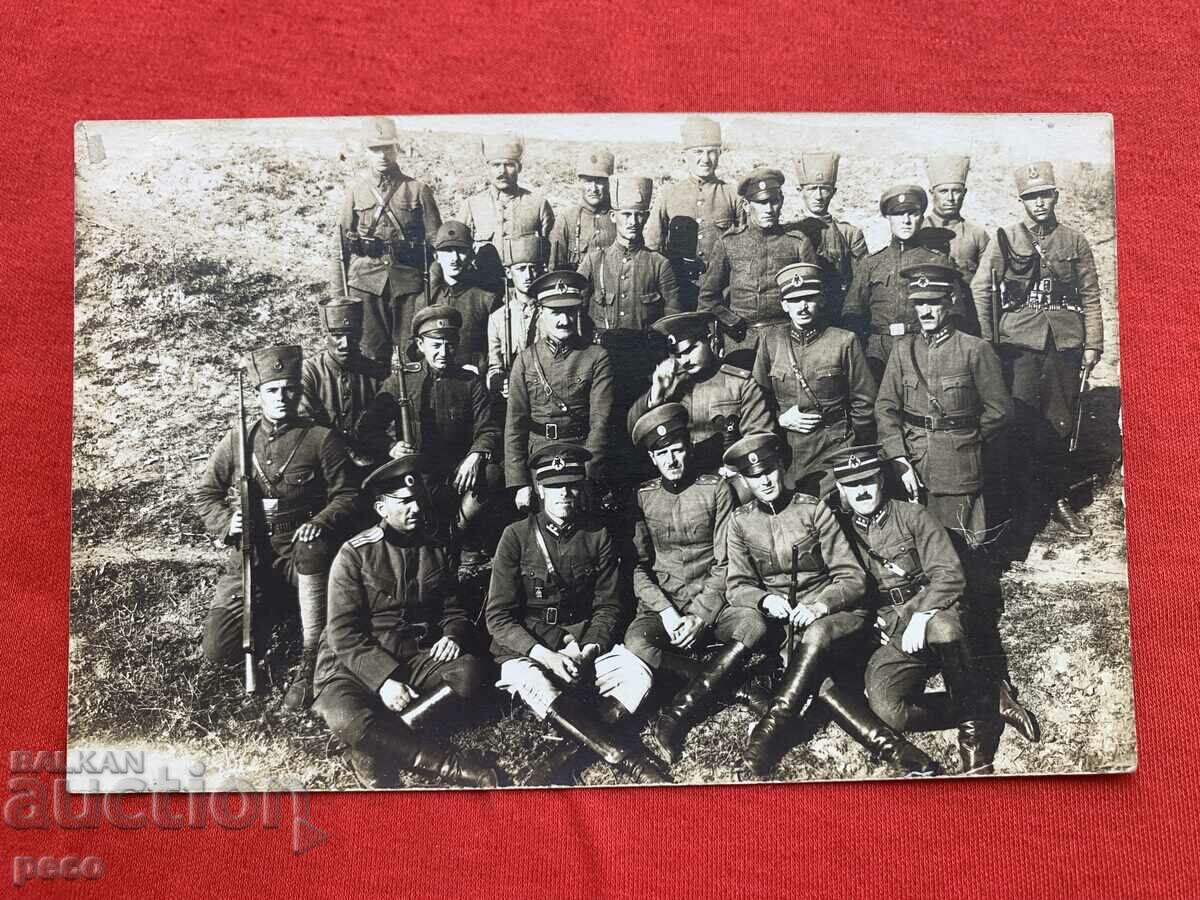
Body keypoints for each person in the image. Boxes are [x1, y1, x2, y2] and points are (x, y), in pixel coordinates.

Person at [723, 432, 941, 777]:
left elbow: (852, 578)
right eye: (754, 475)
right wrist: (764, 600)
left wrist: (820, 606)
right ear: (744, 480)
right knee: (817, 681)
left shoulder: (814, 510)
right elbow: (736, 586)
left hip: (838, 616)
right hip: (788, 627)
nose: (764, 480)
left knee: (816, 637)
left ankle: (766, 736)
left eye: (770, 470)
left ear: (782, 467)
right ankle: (897, 751)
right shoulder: (739, 522)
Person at [829, 444, 1036, 775]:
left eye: (868, 480)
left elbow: (949, 575)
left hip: (932, 611)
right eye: (852, 485)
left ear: (881, 480)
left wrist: (922, 615)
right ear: (840, 488)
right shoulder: (839, 531)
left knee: (943, 628)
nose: (862, 491)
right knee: (887, 710)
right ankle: (987, 700)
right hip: (890, 627)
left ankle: (975, 748)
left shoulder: (912, 516)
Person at [485, 443, 668, 785]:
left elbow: (608, 605)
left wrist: (590, 649)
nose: (564, 494)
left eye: (571, 485)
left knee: (638, 675)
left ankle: (560, 758)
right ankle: (626, 758)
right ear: (540, 489)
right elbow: (499, 617)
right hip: (532, 649)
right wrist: (549, 655)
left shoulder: (597, 534)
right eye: (554, 487)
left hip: (584, 646)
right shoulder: (515, 536)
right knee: (531, 679)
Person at [312, 455, 499, 788]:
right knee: (345, 716)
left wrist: (453, 635)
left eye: (419, 500)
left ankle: (375, 740)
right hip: (353, 666)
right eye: (405, 502)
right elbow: (342, 632)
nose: (416, 508)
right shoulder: (354, 554)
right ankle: (457, 768)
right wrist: (383, 681)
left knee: (471, 673)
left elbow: (452, 608)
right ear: (382, 508)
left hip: (413, 656)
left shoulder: (436, 548)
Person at [194, 345, 360, 710]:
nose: (281, 398)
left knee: (319, 570)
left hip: (301, 551)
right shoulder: (239, 440)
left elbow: (348, 494)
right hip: (252, 552)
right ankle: (279, 607)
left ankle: (310, 657)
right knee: (218, 648)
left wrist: (320, 522)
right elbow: (207, 493)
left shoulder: (320, 438)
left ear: (299, 392)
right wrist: (227, 522)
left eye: (289, 389)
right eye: (272, 390)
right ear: (258, 395)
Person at [623, 404, 770, 763]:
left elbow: (725, 561)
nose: (671, 460)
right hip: (667, 604)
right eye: (662, 454)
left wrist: (702, 616)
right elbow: (637, 568)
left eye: (677, 450)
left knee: (753, 624)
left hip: (712, 600)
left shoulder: (715, 489)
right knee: (636, 642)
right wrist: (668, 614)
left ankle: (679, 711)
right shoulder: (642, 497)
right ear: (652, 458)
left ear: (688, 448)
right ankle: (735, 687)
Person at [970, 161, 1104, 539]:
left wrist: (1093, 342)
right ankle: (1021, 501)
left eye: (1045, 194)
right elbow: (982, 288)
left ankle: (1058, 498)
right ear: (1021, 201)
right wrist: (988, 342)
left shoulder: (1073, 240)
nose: (1039, 203)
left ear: (1055, 196)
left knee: (1060, 425)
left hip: (1063, 345)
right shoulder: (1006, 239)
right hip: (1019, 346)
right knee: (1019, 422)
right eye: (1031, 197)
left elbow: (1091, 295)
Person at [875, 261, 1013, 550]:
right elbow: (886, 407)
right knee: (917, 545)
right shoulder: (903, 350)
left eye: (933, 303)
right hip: (913, 463)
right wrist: (899, 458)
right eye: (919, 304)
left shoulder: (975, 350)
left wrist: (967, 443)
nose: (925, 311)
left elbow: (999, 411)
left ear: (949, 302)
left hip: (959, 468)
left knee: (962, 548)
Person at [355, 305, 502, 563]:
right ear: (421, 345)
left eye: (449, 345)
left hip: (458, 474)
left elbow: (488, 427)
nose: (443, 353)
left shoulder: (470, 382)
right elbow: (367, 428)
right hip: (418, 475)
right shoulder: (403, 380)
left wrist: (476, 455)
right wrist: (391, 447)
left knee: (491, 475)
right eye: (435, 345)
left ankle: (461, 534)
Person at [578, 175, 681, 482]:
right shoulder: (594, 261)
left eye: (639, 215)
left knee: (642, 431)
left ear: (647, 217)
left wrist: (666, 359)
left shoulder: (659, 264)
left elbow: (672, 320)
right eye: (625, 214)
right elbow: (577, 313)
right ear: (613, 216)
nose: (632, 222)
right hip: (603, 362)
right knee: (603, 431)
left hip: (643, 364)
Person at [752, 262, 876, 496]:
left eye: (809, 298)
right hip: (788, 451)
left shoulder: (844, 341)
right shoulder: (771, 341)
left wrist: (854, 448)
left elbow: (864, 402)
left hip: (835, 446)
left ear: (821, 300)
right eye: (794, 300)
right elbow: (757, 401)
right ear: (784, 305)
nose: (802, 306)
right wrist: (779, 420)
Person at [333, 116, 441, 372]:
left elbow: (437, 243)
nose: (382, 155)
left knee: (413, 355)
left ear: (397, 149)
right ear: (366, 152)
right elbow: (340, 248)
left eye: (387, 148)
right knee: (370, 356)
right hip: (365, 286)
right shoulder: (355, 193)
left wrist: (432, 290)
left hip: (409, 285)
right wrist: (339, 297)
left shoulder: (417, 190)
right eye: (375, 149)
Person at [504, 271, 614, 510]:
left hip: (580, 453)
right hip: (539, 455)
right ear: (540, 312)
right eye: (555, 313)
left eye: (570, 312)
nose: (564, 320)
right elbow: (515, 424)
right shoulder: (525, 361)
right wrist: (520, 482)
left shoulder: (596, 357)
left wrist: (588, 474)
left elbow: (600, 421)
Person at [627, 311, 774, 478]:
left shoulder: (739, 383)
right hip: (683, 477)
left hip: (728, 476)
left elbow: (758, 436)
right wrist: (656, 394)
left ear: (710, 341)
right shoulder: (670, 385)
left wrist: (735, 469)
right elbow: (634, 430)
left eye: (690, 350)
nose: (685, 360)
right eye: (678, 355)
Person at [842, 185, 966, 383]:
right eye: (899, 214)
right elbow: (852, 313)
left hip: (923, 347)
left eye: (913, 213)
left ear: (921, 216)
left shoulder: (938, 262)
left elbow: (956, 314)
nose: (906, 220)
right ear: (888, 217)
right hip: (878, 353)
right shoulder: (871, 264)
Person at [698, 167, 817, 368]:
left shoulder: (797, 243)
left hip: (786, 339)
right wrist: (732, 322)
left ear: (782, 202)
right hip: (741, 340)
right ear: (746, 205)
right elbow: (708, 298)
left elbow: (814, 295)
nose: (769, 209)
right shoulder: (729, 243)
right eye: (762, 203)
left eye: (774, 201)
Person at [644, 115, 739, 311]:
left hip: (723, 294)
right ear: (684, 155)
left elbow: (744, 246)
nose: (705, 159)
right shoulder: (669, 194)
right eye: (698, 152)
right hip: (679, 292)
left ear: (720, 154)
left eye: (712, 152)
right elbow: (653, 246)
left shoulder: (732, 194)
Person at [458, 134, 554, 293]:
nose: (502, 171)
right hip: (484, 290)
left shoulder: (538, 204)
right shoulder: (472, 205)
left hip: (525, 290)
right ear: (487, 167)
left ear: (520, 167)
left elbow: (550, 255)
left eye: (509, 165)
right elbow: (460, 250)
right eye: (496, 165)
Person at [300, 297, 389, 468]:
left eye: (352, 336)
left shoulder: (376, 373)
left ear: (361, 334)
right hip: (324, 463)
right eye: (337, 336)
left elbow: (388, 422)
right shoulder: (309, 372)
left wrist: (389, 446)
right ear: (324, 335)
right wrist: (346, 452)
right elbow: (306, 423)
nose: (345, 344)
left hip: (371, 461)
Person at [791, 152, 869, 324]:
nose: (818, 196)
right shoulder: (789, 233)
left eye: (824, 189)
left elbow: (861, 281)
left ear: (833, 192)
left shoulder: (849, 234)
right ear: (800, 191)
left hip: (839, 315)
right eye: (812, 189)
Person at [924, 155, 990, 326]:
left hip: (967, 317)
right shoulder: (918, 231)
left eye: (956, 191)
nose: (951, 198)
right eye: (944, 191)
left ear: (964, 193)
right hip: (926, 315)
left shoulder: (977, 235)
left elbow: (988, 284)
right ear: (932, 193)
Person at [429, 221, 499, 374]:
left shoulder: (486, 300)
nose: (454, 258)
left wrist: (480, 367)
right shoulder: (427, 298)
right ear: (436, 256)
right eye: (447, 251)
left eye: (460, 251)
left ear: (471, 254)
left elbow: (495, 348)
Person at [486, 235, 546, 399]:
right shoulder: (497, 318)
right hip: (515, 396)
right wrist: (499, 382)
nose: (528, 275)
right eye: (521, 269)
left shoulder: (550, 312)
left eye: (533, 268)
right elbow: (494, 365)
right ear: (508, 273)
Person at [548, 146, 617, 271]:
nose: (593, 188)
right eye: (588, 181)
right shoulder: (567, 219)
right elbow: (556, 269)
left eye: (599, 181)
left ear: (609, 183)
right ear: (579, 182)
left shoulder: (619, 217)